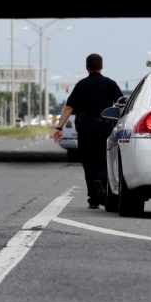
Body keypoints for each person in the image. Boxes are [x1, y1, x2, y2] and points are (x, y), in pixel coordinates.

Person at [52, 53, 123, 208]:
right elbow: (121, 105)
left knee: (88, 162)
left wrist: (59, 127)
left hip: (85, 129)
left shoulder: (81, 85)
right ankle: (102, 180)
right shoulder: (110, 84)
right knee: (105, 159)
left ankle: (93, 199)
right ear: (101, 66)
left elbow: (69, 107)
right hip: (105, 128)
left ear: (87, 67)